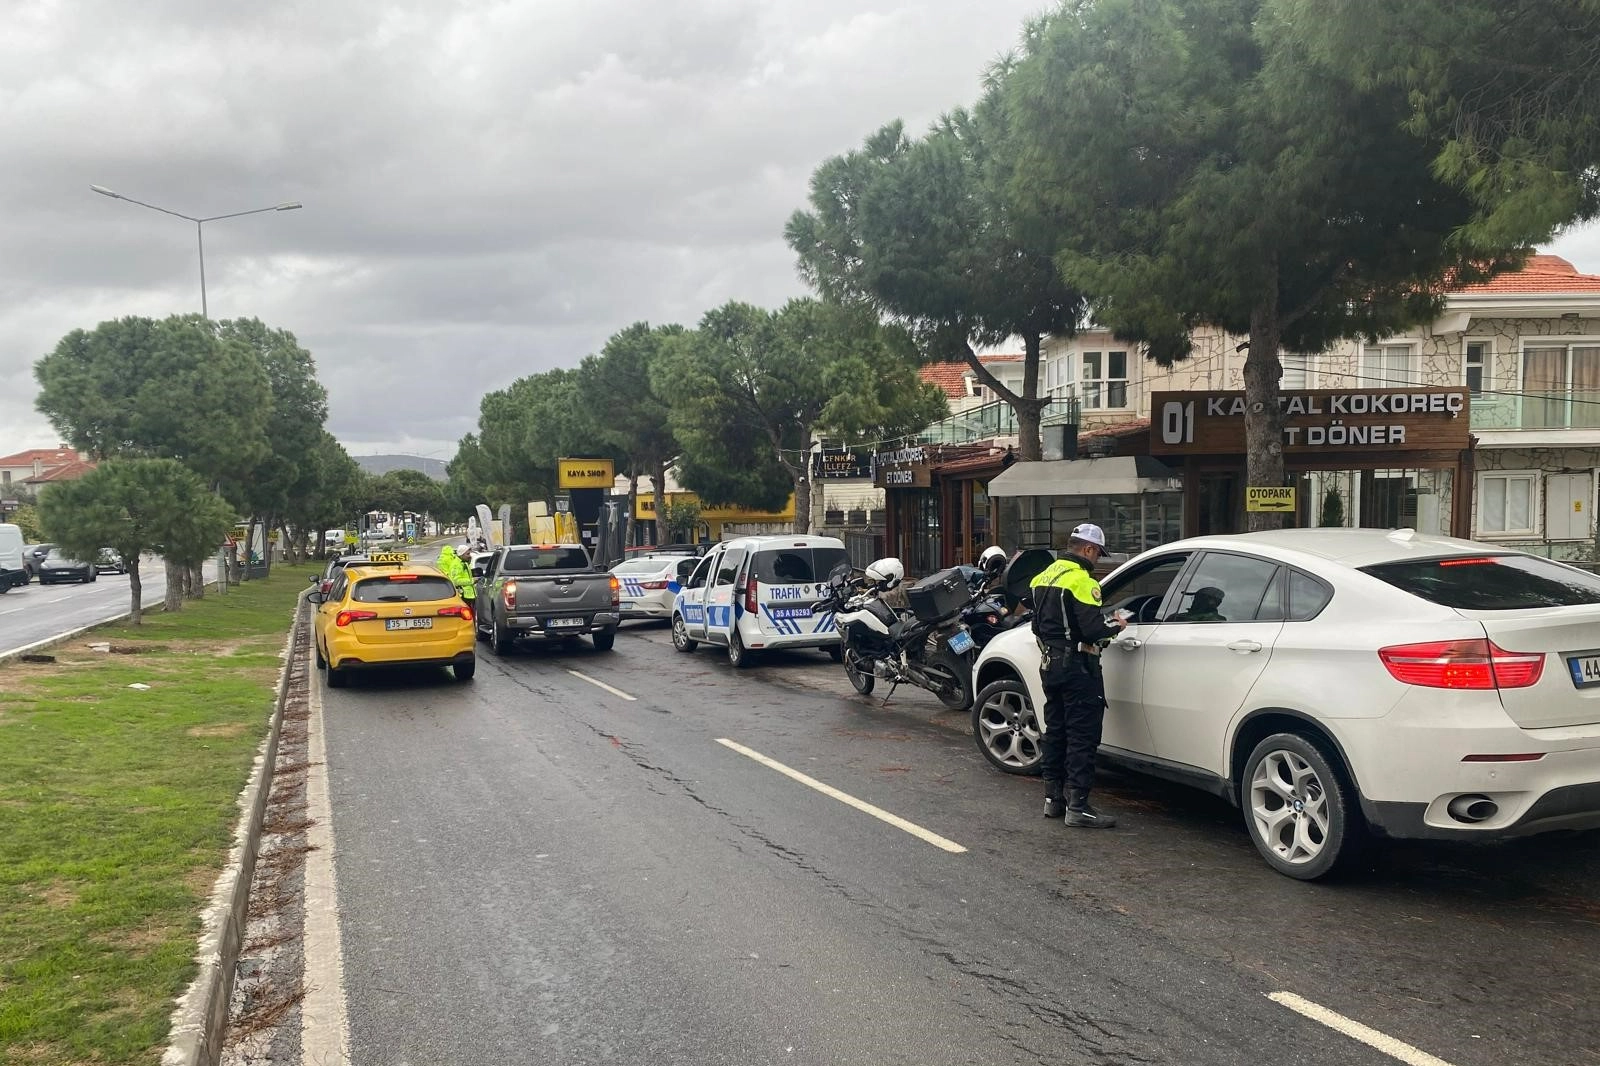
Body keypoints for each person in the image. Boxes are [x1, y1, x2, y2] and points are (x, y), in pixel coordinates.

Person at [1030, 523, 1127, 829]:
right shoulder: (1082, 581)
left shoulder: (1042, 577)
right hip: (1078, 667)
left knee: (1055, 730)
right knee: (1082, 736)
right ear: (1087, 549)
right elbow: (1092, 631)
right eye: (1098, 553)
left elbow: (1035, 625)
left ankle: (1053, 800)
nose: (1098, 559)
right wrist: (1116, 627)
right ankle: (1079, 807)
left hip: (1050, 664)